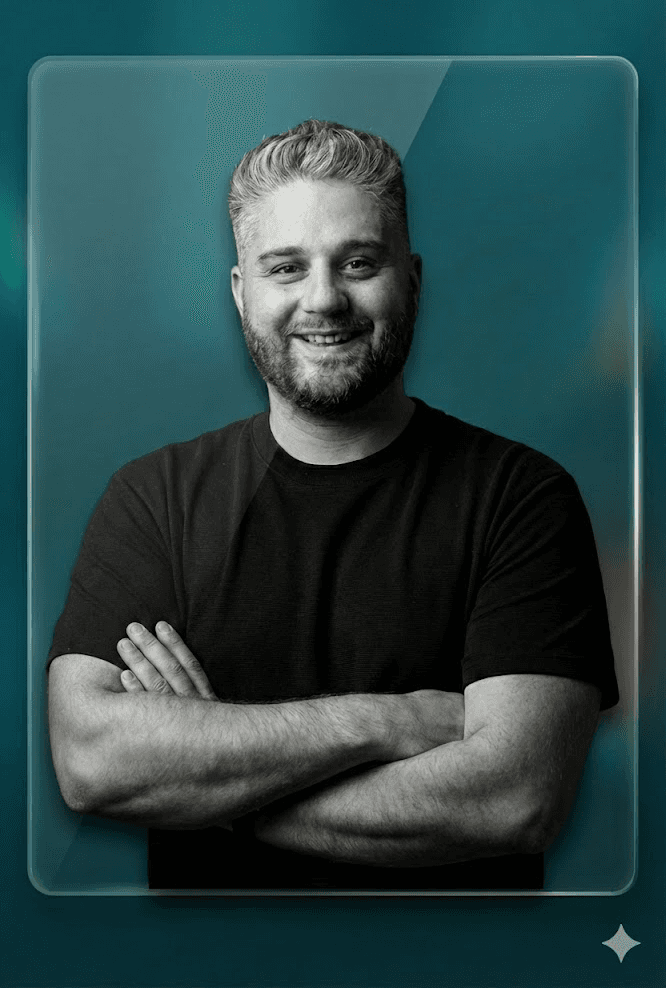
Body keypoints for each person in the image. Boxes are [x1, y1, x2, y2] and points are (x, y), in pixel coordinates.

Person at [46, 119, 619, 892]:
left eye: (357, 262)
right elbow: (90, 761)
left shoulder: (523, 500)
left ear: (411, 279)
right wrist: (388, 722)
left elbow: (513, 799)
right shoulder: (154, 500)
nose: (324, 300)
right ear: (241, 293)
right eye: (286, 267)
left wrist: (209, 782)